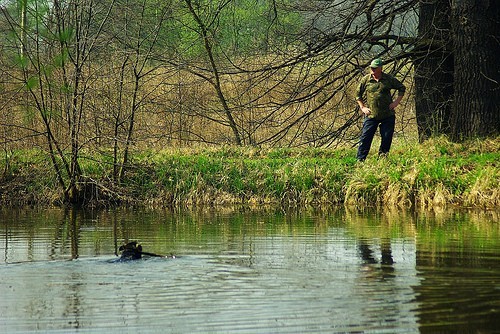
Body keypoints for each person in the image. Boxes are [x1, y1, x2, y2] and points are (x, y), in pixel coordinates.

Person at [355, 58, 406, 161]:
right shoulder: (366, 79)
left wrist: (396, 102)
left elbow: (402, 88)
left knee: (386, 138)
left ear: (380, 68)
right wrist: (363, 107)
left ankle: (382, 159)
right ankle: (360, 160)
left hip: (387, 115)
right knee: (365, 138)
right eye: (371, 68)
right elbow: (357, 94)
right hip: (371, 115)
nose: (372, 70)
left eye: (375, 68)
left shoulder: (388, 79)